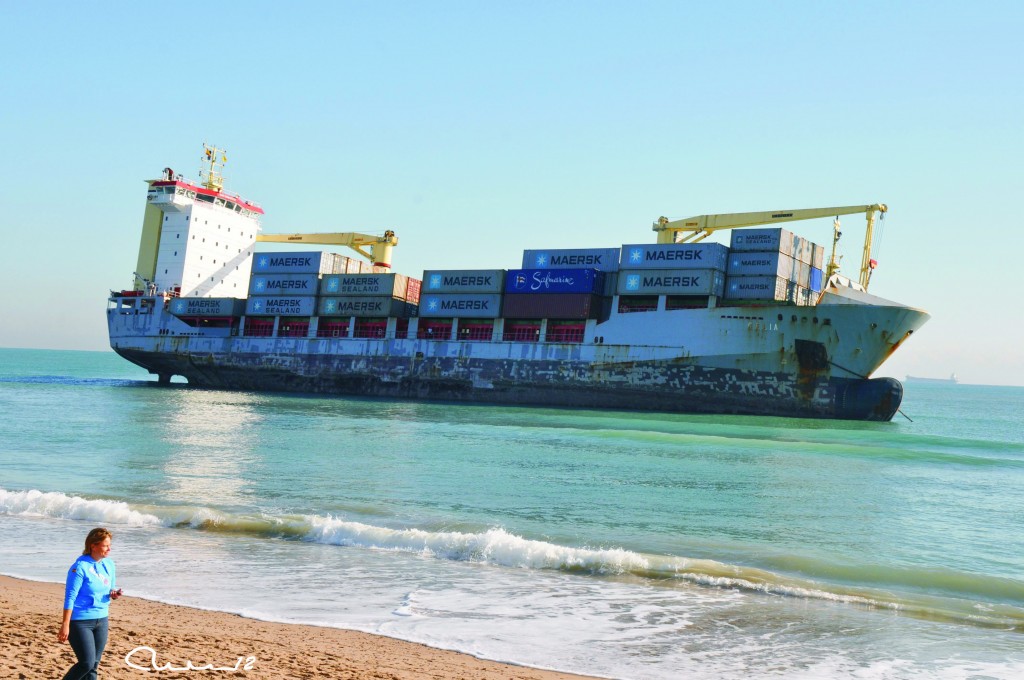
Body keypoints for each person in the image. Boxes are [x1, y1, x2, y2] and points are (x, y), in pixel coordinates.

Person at [58, 527, 122, 680]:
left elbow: (109, 588)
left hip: (102, 619)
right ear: (93, 545)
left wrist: (114, 594)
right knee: (86, 663)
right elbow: (70, 596)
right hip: (80, 621)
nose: (109, 549)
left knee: (94, 665)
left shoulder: (109, 565)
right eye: (105, 545)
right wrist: (65, 624)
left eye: (109, 545)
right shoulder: (79, 567)